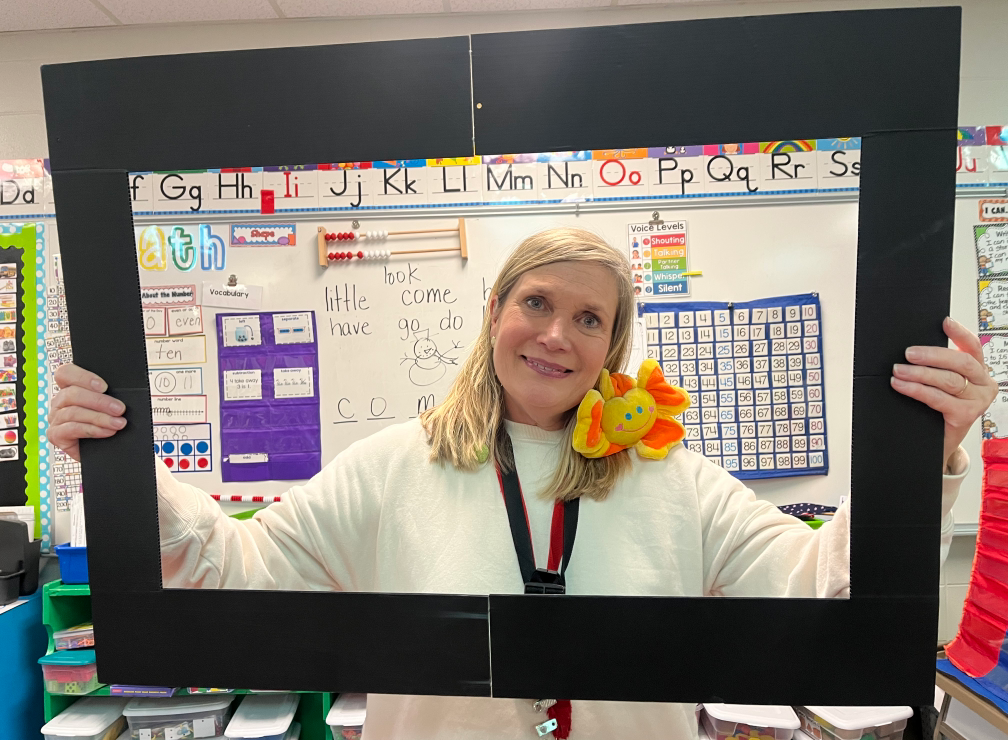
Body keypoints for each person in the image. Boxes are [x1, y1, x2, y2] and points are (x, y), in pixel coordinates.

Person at [48, 227, 995, 740]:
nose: (556, 334)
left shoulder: (677, 479)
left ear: (611, 347)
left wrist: (928, 453)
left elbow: (814, 580)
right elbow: (236, 566)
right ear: (494, 310)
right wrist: (123, 465)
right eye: (537, 303)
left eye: (590, 319)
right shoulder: (393, 465)